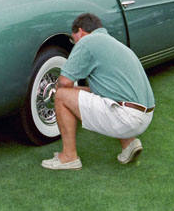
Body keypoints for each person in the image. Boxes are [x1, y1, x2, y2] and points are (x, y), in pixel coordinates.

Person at [41, 13, 155, 170]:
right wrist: (74, 91)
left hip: (127, 117)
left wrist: (59, 89)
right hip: (145, 114)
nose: (75, 44)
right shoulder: (114, 44)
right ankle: (129, 143)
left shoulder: (87, 42)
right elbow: (103, 90)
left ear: (80, 31)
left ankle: (68, 157)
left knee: (60, 95)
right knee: (99, 97)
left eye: (74, 40)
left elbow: (64, 82)